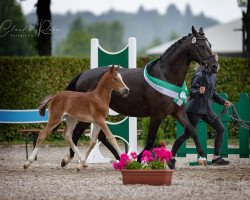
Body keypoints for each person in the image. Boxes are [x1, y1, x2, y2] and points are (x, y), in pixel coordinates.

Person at [169, 53, 232, 169]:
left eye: (216, 61)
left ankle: (216, 157)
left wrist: (223, 102)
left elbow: (213, 93)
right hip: (194, 109)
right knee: (186, 135)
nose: (215, 64)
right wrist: (199, 91)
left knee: (221, 129)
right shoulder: (199, 75)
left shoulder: (213, 75)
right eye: (213, 61)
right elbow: (191, 92)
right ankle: (170, 157)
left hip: (206, 109)